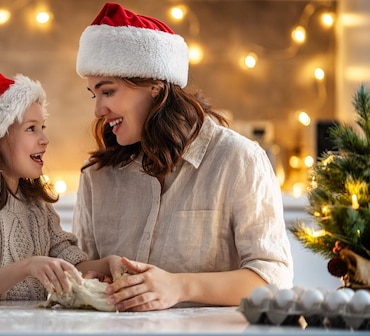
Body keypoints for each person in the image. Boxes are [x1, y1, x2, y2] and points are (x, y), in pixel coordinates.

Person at [72, 2, 294, 312]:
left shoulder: (238, 161)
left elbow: (274, 281)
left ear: (154, 85)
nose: (98, 110)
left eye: (107, 92)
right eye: (93, 94)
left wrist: (180, 286)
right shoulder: (96, 175)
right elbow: (81, 271)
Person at [0, 66, 115, 302]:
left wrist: (107, 264)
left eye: (42, 128)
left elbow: (69, 260)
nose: (44, 139)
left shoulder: (37, 206)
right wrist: (28, 266)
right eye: (31, 129)